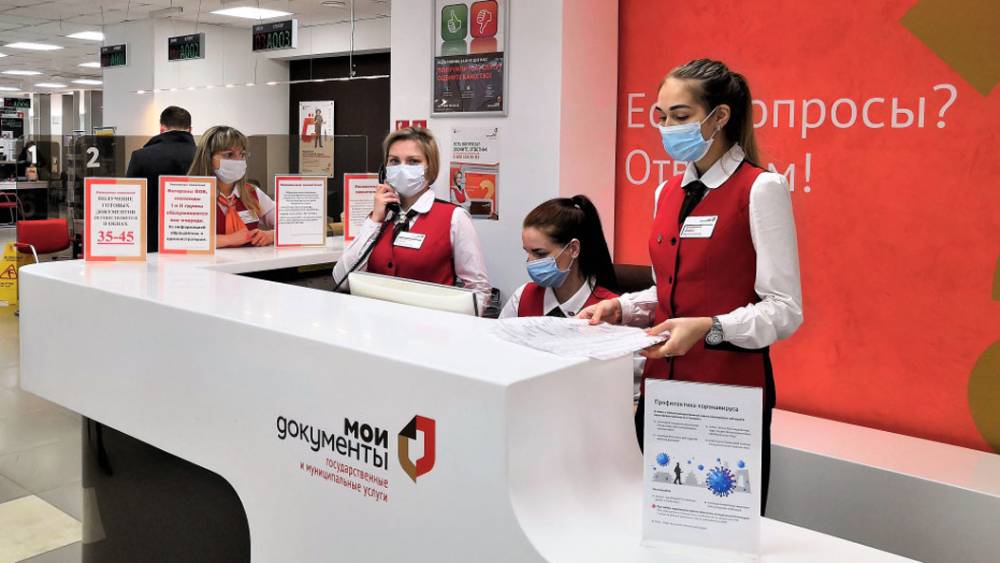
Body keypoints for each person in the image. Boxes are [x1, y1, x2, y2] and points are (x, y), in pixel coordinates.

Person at [580, 59, 803, 513]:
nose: (666, 128)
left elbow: (784, 309)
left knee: (715, 526)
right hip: (662, 390)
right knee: (653, 517)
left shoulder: (760, 188)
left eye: (680, 116)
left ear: (719, 117)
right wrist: (622, 308)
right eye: (661, 116)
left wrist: (709, 327)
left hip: (726, 395)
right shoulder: (667, 193)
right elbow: (668, 289)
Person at [332, 126, 491, 311]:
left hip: (430, 324)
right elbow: (341, 279)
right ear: (384, 170)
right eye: (394, 161)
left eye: (413, 161)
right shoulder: (382, 216)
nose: (402, 169)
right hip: (376, 321)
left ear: (430, 168)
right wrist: (374, 220)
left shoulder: (454, 218)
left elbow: (479, 290)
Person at [499, 195, 618, 318]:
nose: (531, 262)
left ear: (573, 249)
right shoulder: (523, 297)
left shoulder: (611, 310)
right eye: (527, 252)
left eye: (540, 253)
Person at [187, 125, 275, 248]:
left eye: (242, 154)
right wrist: (229, 239)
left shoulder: (251, 192)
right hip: (207, 261)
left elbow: (290, 225)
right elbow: (182, 239)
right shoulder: (190, 194)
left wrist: (272, 235)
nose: (238, 161)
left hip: (251, 260)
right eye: (229, 155)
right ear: (207, 158)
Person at [125, 106, 197, 252]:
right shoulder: (203, 156)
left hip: (150, 239)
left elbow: (129, 201)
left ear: (162, 128)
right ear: (190, 129)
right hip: (194, 237)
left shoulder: (141, 156)